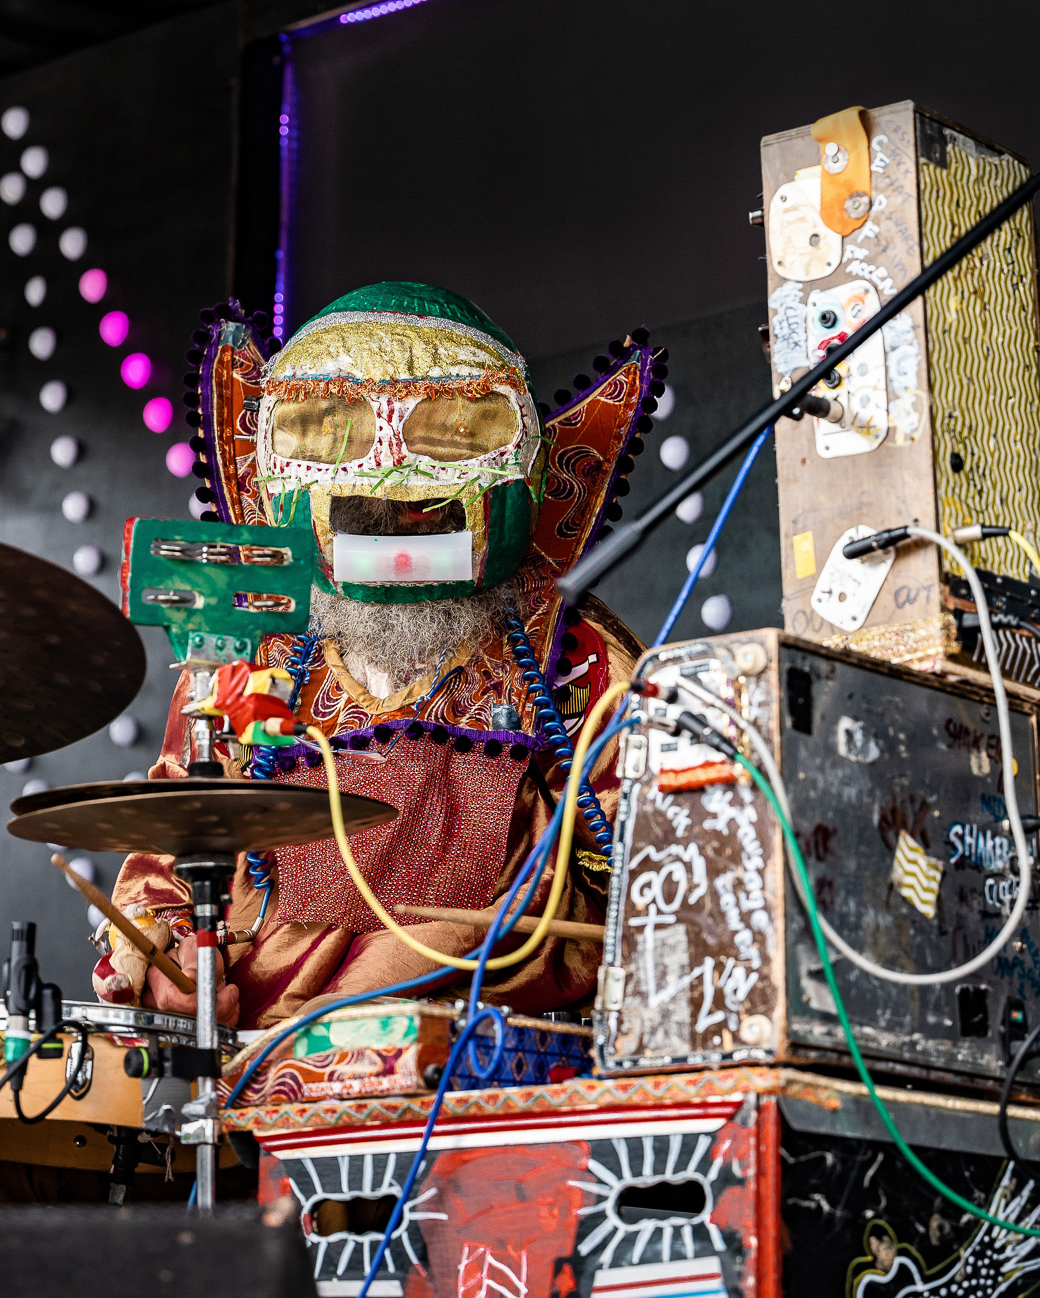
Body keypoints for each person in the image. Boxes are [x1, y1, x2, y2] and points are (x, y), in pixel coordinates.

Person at [92, 282, 660, 1029]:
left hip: (480, 1063)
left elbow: (645, 882)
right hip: (252, 1067)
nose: (393, 511)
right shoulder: (247, 651)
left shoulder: (576, 661)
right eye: (341, 444)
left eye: (446, 440)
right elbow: (175, 838)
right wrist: (164, 960)